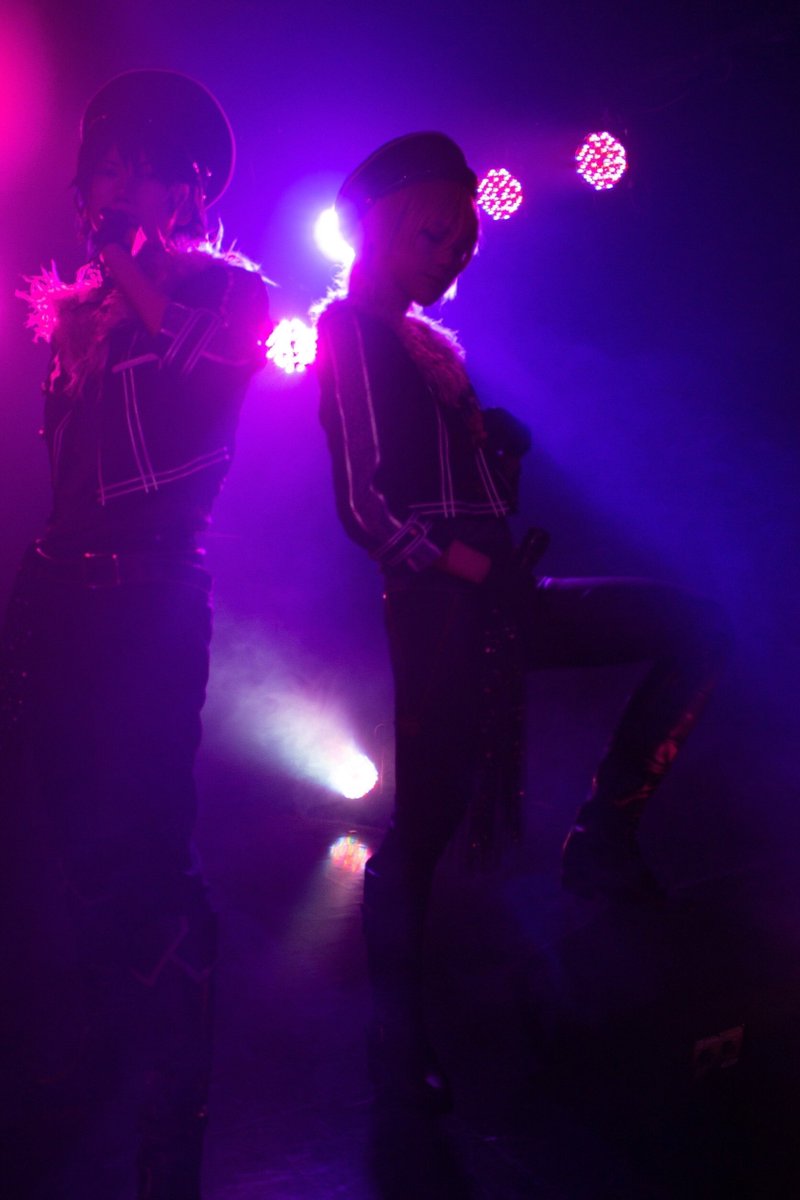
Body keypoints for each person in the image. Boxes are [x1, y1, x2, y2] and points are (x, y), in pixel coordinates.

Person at [315, 132, 731, 1112]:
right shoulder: (349, 328)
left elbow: (475, 497)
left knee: (696, 628)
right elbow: (365, 505)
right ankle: (395, 1035)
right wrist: (462, 564)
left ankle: (604, 832)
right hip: (440, 609)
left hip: (499, 590)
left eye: (464, 241)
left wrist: (496, 460)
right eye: (434, 231)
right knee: (426, 825)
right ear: (381, 226)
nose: (453, 252)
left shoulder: (432, 348)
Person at [1, 71, 269, 1197]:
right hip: (57, 599)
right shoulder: (86, 315)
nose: (101, 188)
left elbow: (202, 367)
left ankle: (175, 1110)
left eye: (125, 167)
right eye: (94, 169)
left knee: (149, 853)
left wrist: (131, 268)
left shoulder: (232, 298)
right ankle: (103, 1052)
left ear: (182, 183)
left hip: (150, 607)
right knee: (72, 847)